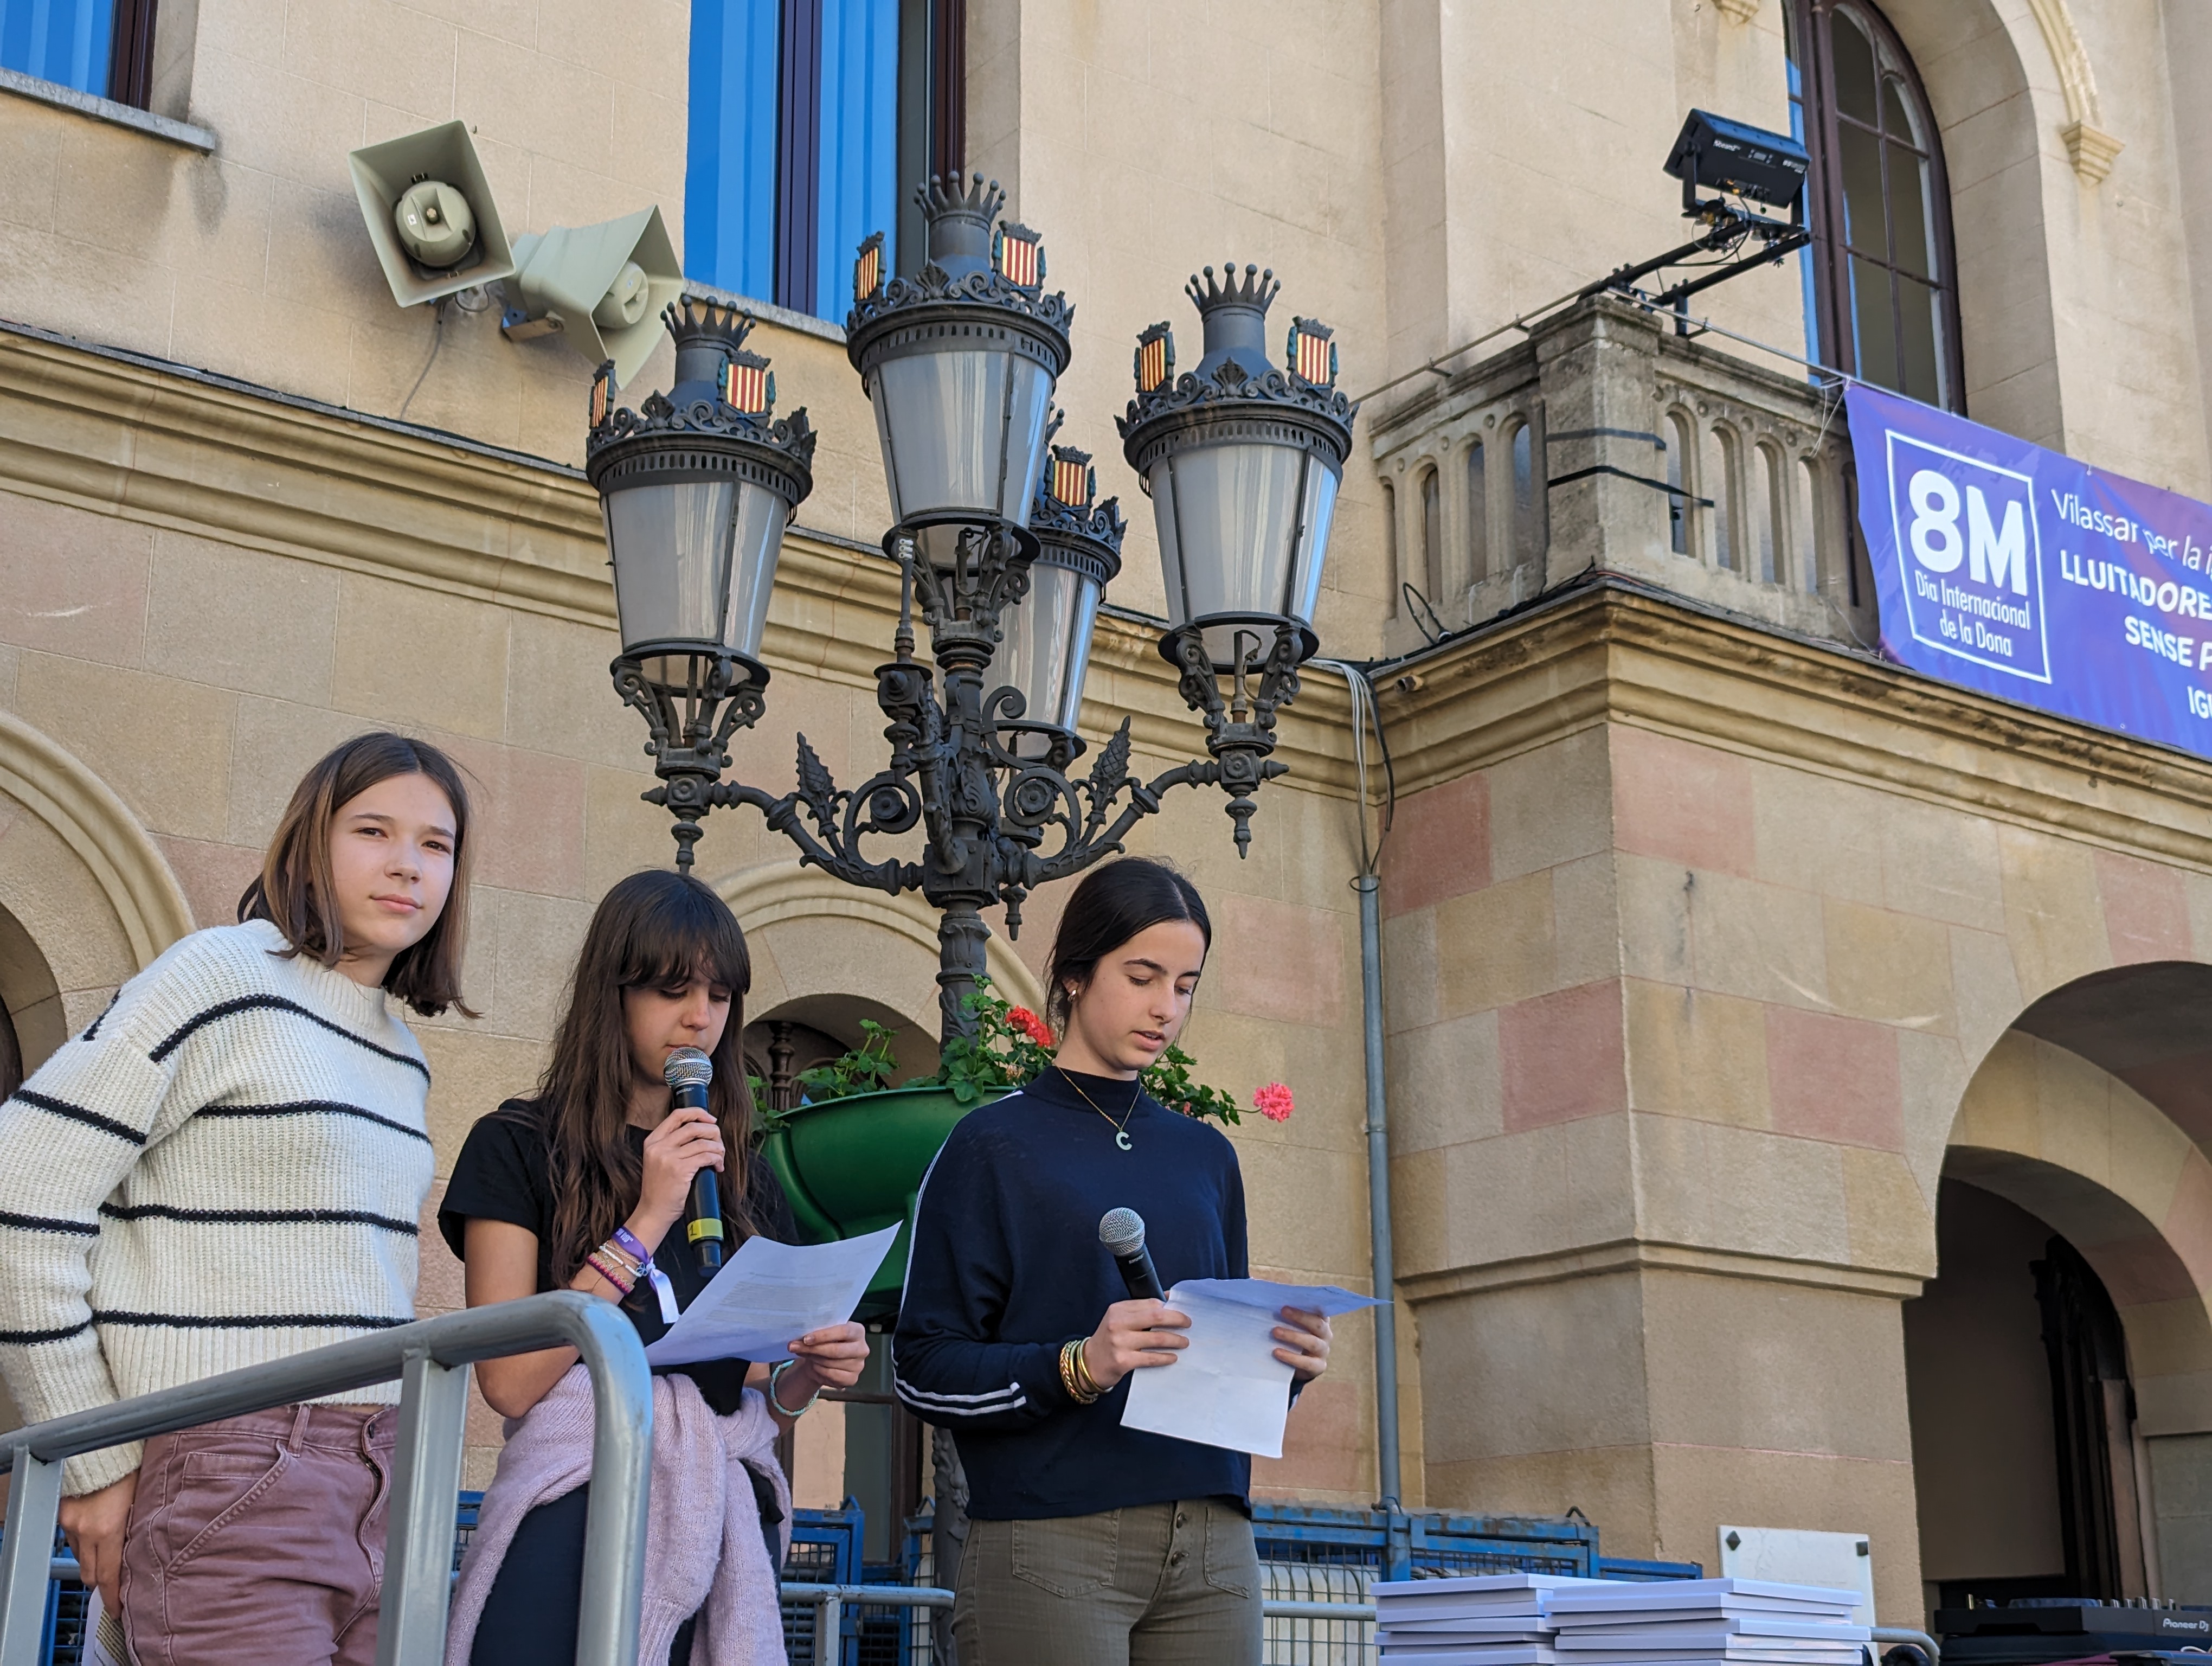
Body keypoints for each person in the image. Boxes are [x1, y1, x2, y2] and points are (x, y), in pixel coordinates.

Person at [0, 732, 473, 1666]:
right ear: (310, 841)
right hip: (228, 1461)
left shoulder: (401, 1054)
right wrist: (92, 1453)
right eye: (373, 830)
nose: (406, 866)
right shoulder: (221, 977)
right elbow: (21, 1193)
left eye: (436, 844)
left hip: (382, 1472)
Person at [893, 856, 1333, 1666]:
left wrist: (1281, 1369)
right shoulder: (991, 1147)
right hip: (1051, 1539)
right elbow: (922, 1367)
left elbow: (1206, 1368)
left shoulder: (1207, 1157)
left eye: (1186, 985)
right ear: (1071, 977)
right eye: (1142, 976)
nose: (1165, 1007)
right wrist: (1077, 1366)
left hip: (1213, 1544)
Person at [440, 868, 867, 1666]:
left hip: (716, 1515)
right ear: (616, 994)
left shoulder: (743, 1175)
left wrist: (808, 1373)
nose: (699, 1018)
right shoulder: (516, 1146)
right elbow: (508, 1381)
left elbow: (749, 1392)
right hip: (573, 1501)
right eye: (672, 989)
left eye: (719, 994)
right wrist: (646, 1221)